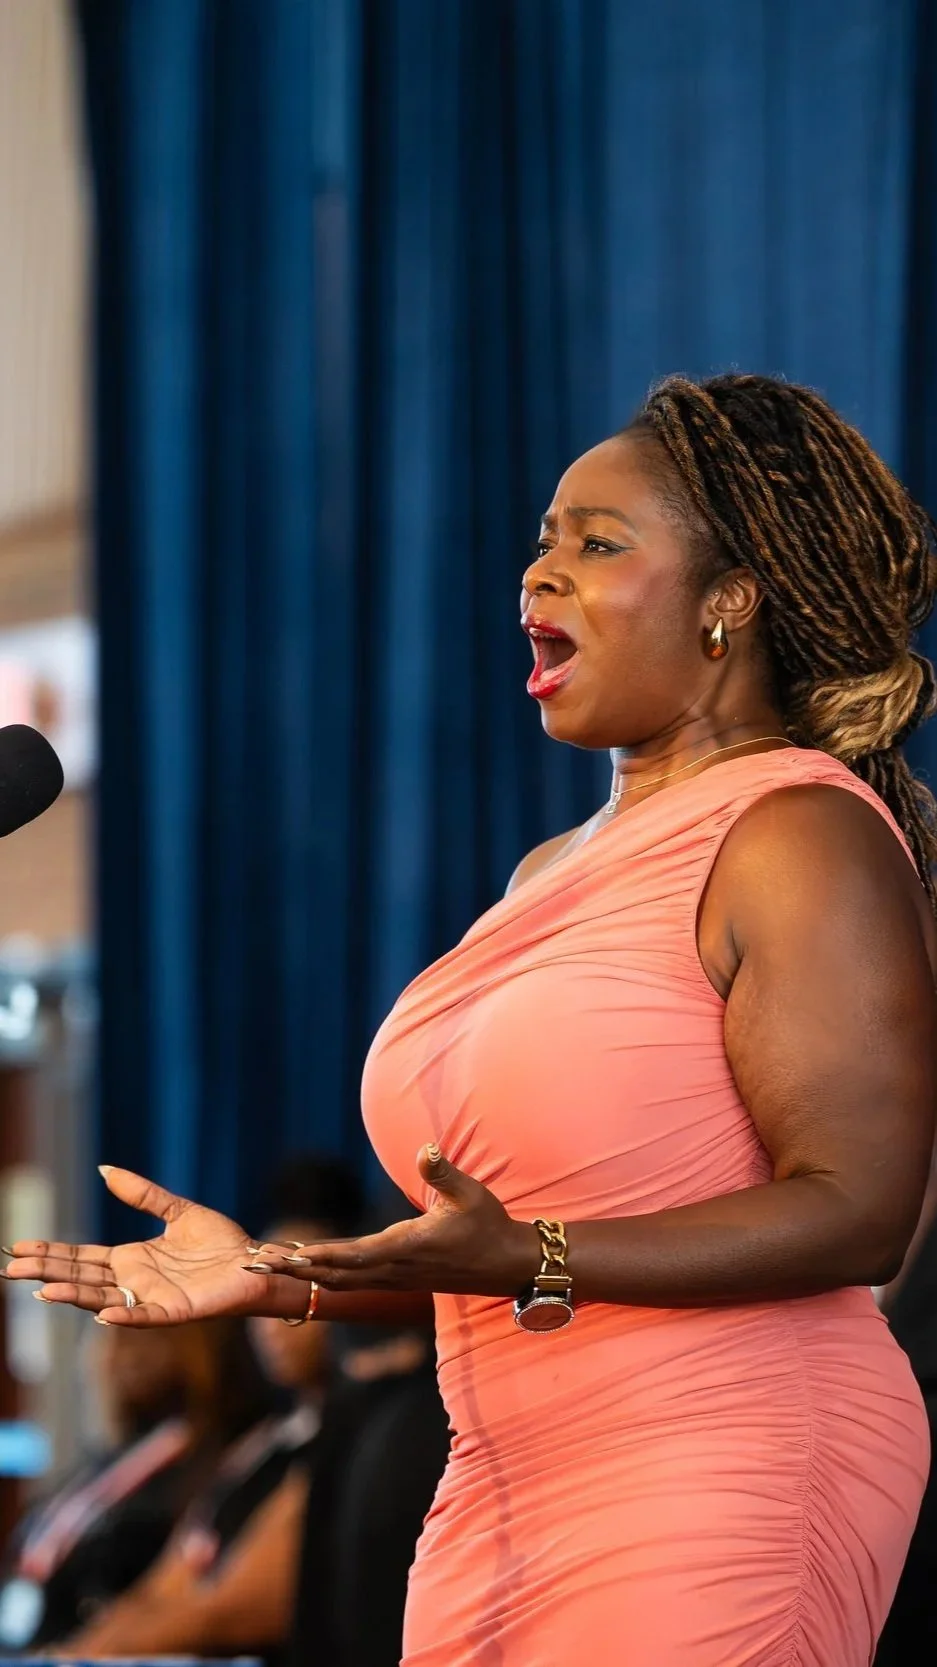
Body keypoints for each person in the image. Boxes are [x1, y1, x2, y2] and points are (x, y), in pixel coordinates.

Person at [8, 372, 937, 1666]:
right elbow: (481, 1253)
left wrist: (535, 1256)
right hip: (493, 1483)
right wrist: (280, 1280)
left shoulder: (801, 830)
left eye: (596, 544)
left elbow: (860, 1203)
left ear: (731, 602)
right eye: (544, 537)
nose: (537, 575)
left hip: (724, 1453)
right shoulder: (544, 875)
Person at [51, 1154, 362, 1664]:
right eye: (263, 1287)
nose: (272, 1318)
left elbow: (238, 1608)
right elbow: (168, 1583)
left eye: (295, 1291)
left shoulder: (353, 1437)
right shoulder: (267, 1441)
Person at [0, 1316, 270, 1651]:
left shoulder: (219, 1461)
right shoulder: (111, 1460)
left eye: (150, 1338)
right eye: (114, 1337)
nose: (127, 1355)